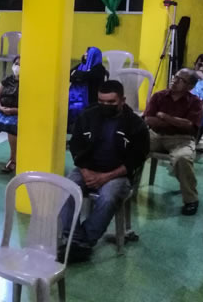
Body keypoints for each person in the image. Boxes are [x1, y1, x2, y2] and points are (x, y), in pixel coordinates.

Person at [57, 80, 150, 263]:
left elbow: (136, 159)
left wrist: (105, 177)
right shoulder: (88, 116)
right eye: (101, 101)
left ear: (122, 100)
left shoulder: (136, 125)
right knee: (67, 189)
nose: (105, 105)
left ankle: (84, 241)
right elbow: (76, 146)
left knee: (107, 198)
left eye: (111, 102)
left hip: (118, 174)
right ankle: (73, 238)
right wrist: (85, 171)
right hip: (87, 169)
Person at [145, 68, 203, 215]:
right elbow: (149, 119)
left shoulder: (195, 102)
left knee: (182, 158)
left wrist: (165, 116)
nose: (174, 80)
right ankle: (127, 188)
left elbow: (189, 125)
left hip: (182, 139)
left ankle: (191, 200)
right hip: (155, 135)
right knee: (132, 147)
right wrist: (176, 122)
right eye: (175, 76)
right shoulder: (159, 96)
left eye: (180, 80)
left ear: (190, 86)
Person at [68, 47, 108, 131]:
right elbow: (70, 74)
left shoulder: (99, 69)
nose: (84, 56)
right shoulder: (81, 66)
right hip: (75, 99)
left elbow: (85, 76)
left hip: (91, 100)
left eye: (87, 55)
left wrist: (78, 75)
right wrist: (79, 75)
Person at [0, 56, 20, 173]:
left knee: (12, 128)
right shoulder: (7, 79)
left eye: (21, 65)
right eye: (16, 64)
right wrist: (0, 107)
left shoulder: (28, 82)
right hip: (2, 110)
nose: (18, 67)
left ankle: (13, 160)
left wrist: (14, 110)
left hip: (17, 113)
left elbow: (30, 105)